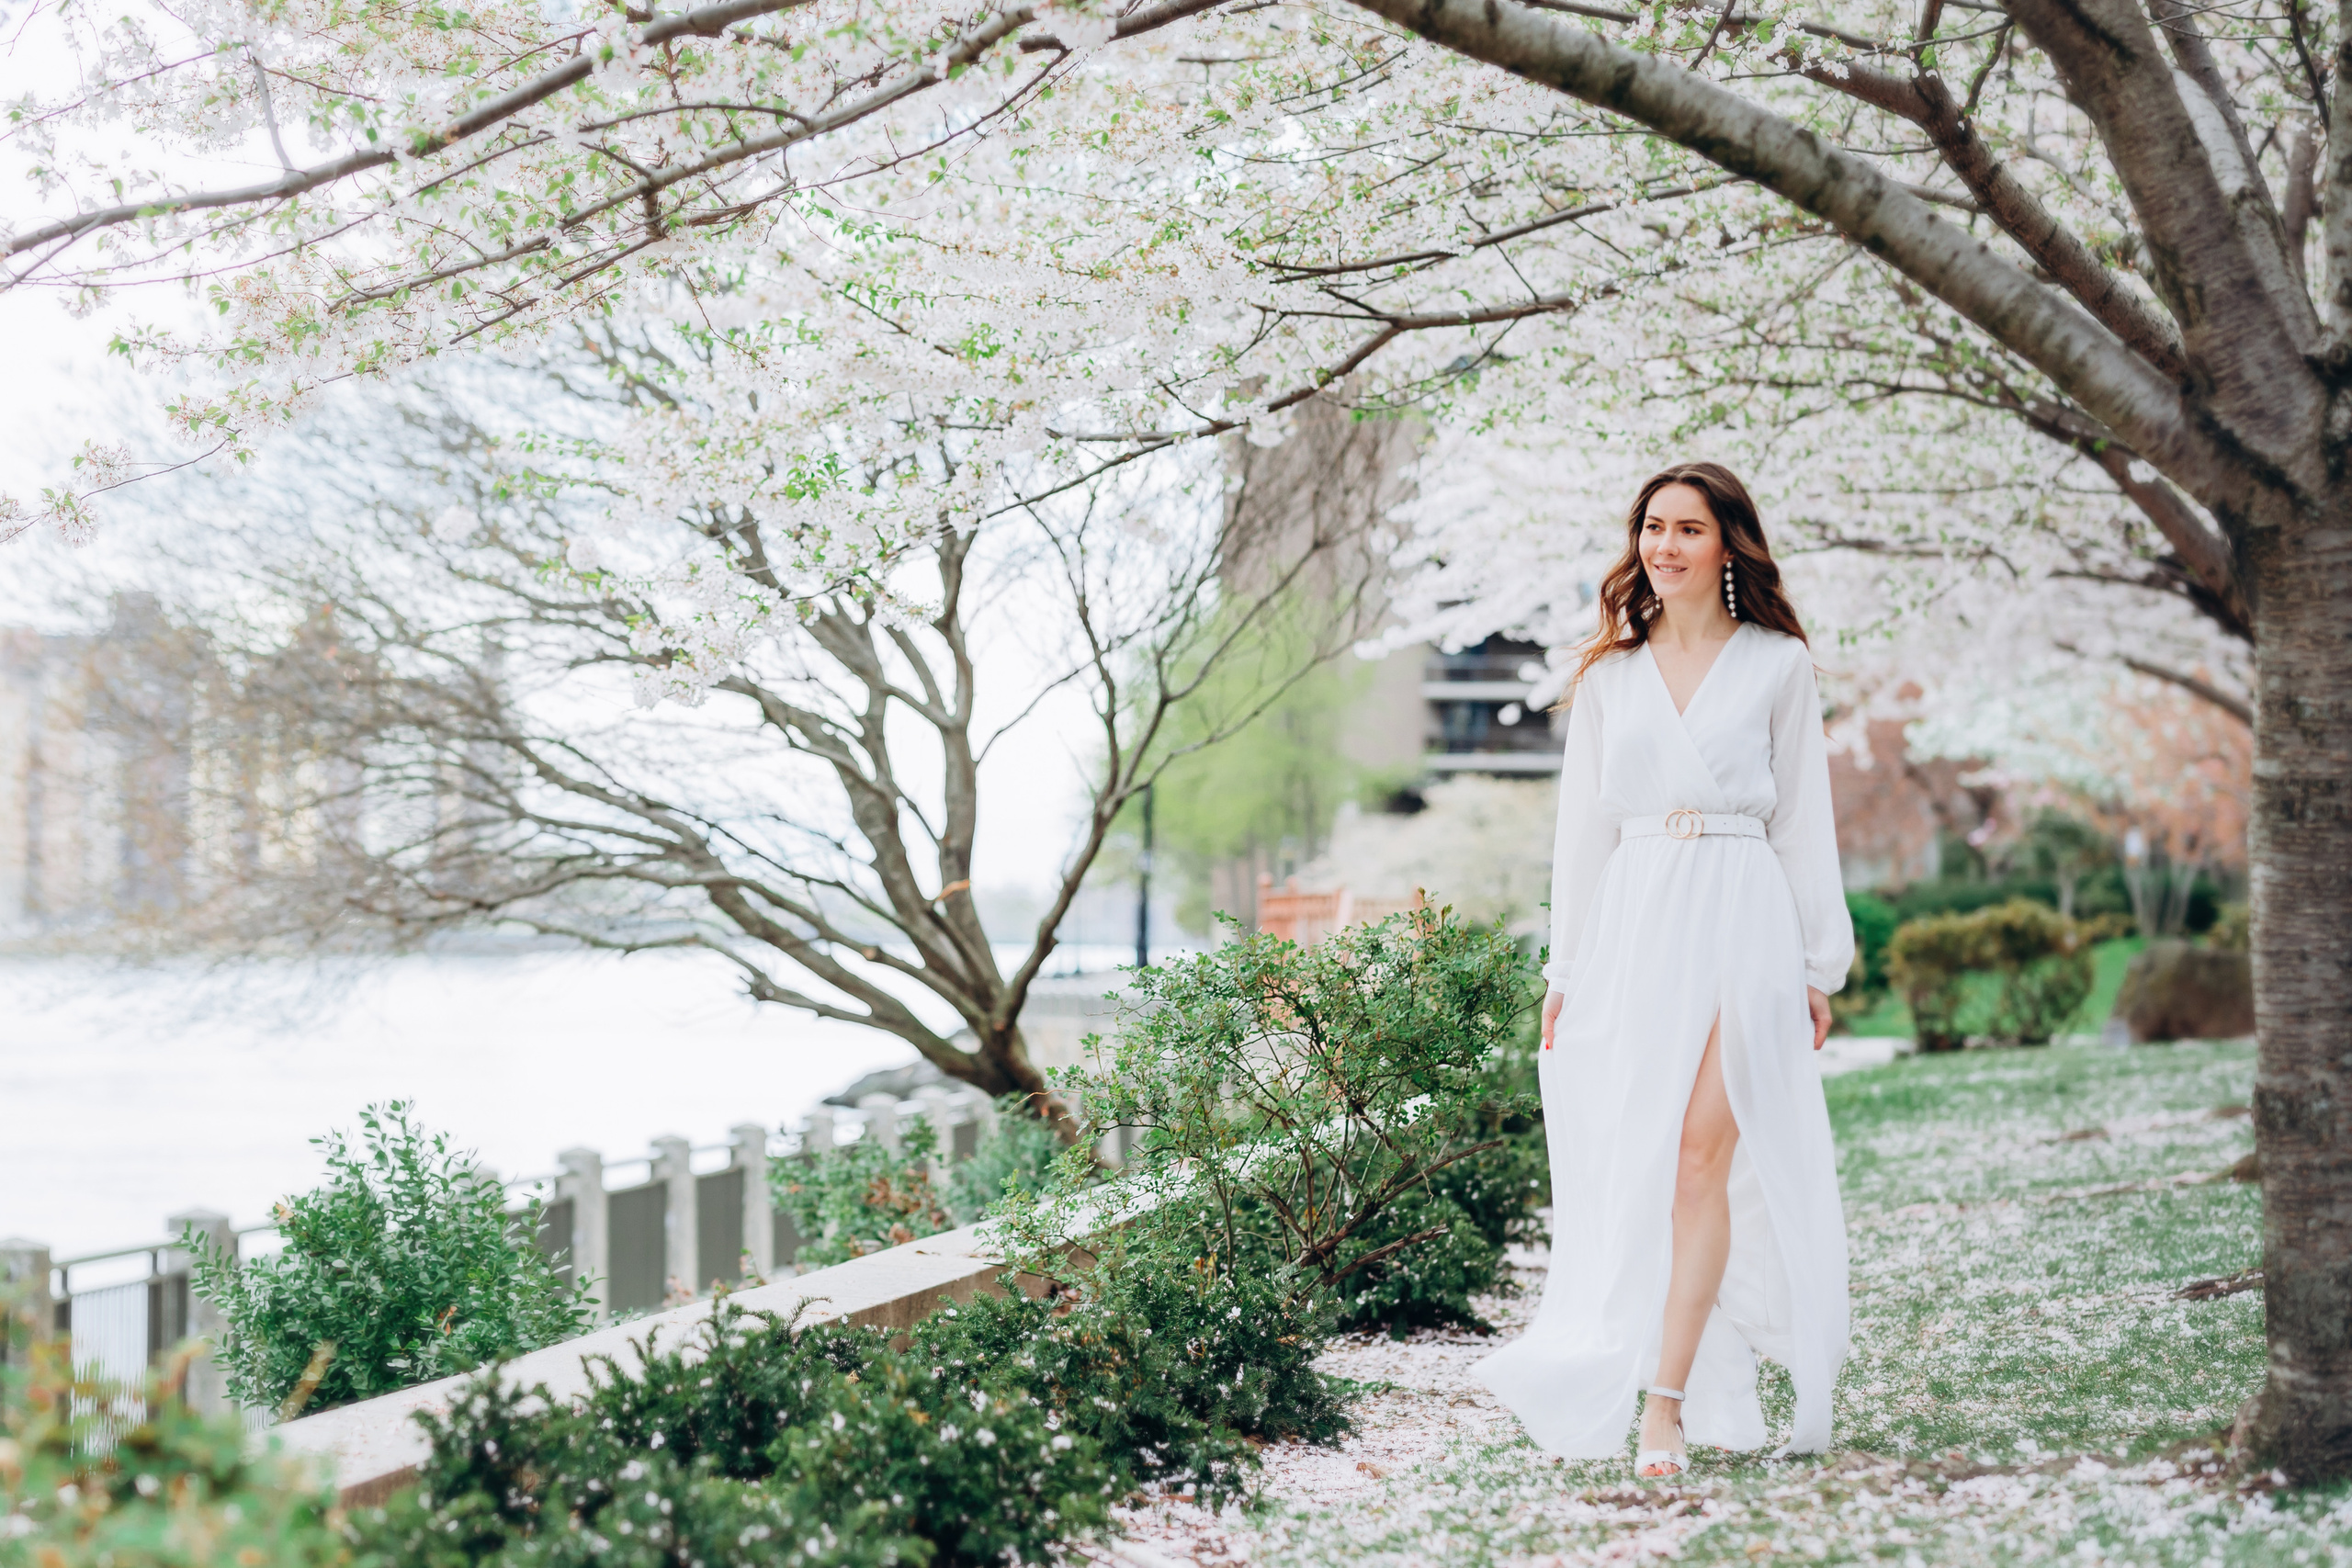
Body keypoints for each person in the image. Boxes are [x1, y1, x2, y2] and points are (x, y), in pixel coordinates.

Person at [1471, 462, 1854, 1479]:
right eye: (1653, 527)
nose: (1665, 546)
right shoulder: (1607, 676)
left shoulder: (1778, 666)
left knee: (1697, 1159)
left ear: (1729, 544)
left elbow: (1805, 824)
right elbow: (1581, 839)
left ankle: (1664, 1405)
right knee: (1640, 1162)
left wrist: (1819, 966)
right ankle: (1652, 1365)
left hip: (1745, 920)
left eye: (1689, 528)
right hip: (1639, 921)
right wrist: (1566, 970)